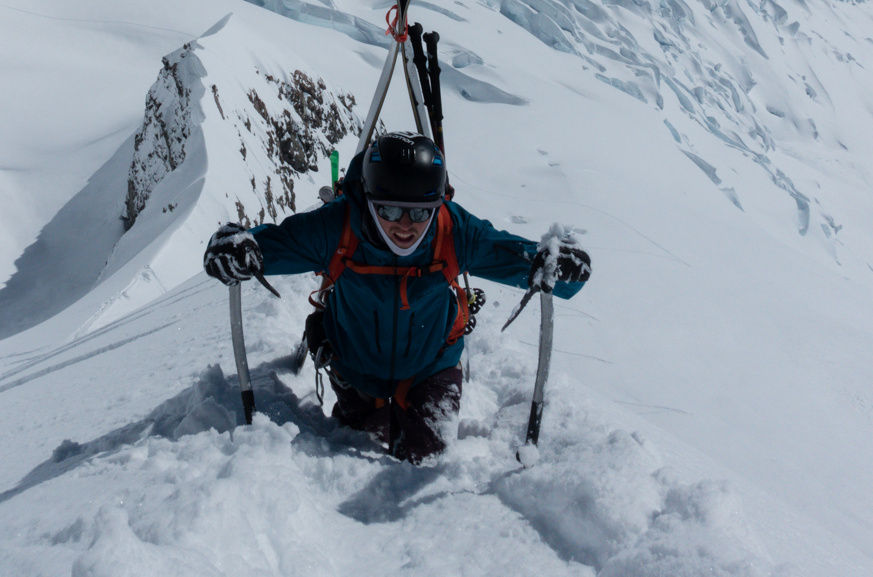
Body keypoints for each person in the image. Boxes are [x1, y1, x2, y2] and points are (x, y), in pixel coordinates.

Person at [204, 131, 590, 462]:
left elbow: (523, 261)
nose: (405, 225)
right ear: (367, 199)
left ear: (436, 206)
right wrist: (233, 248)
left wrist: (561, 267)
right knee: (356, 444)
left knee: (425, 461)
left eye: (419, 213)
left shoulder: (451, 230)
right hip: (354, 366)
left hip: (431, 364)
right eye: (389, 209)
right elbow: (267, 248)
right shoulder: (338, 225)